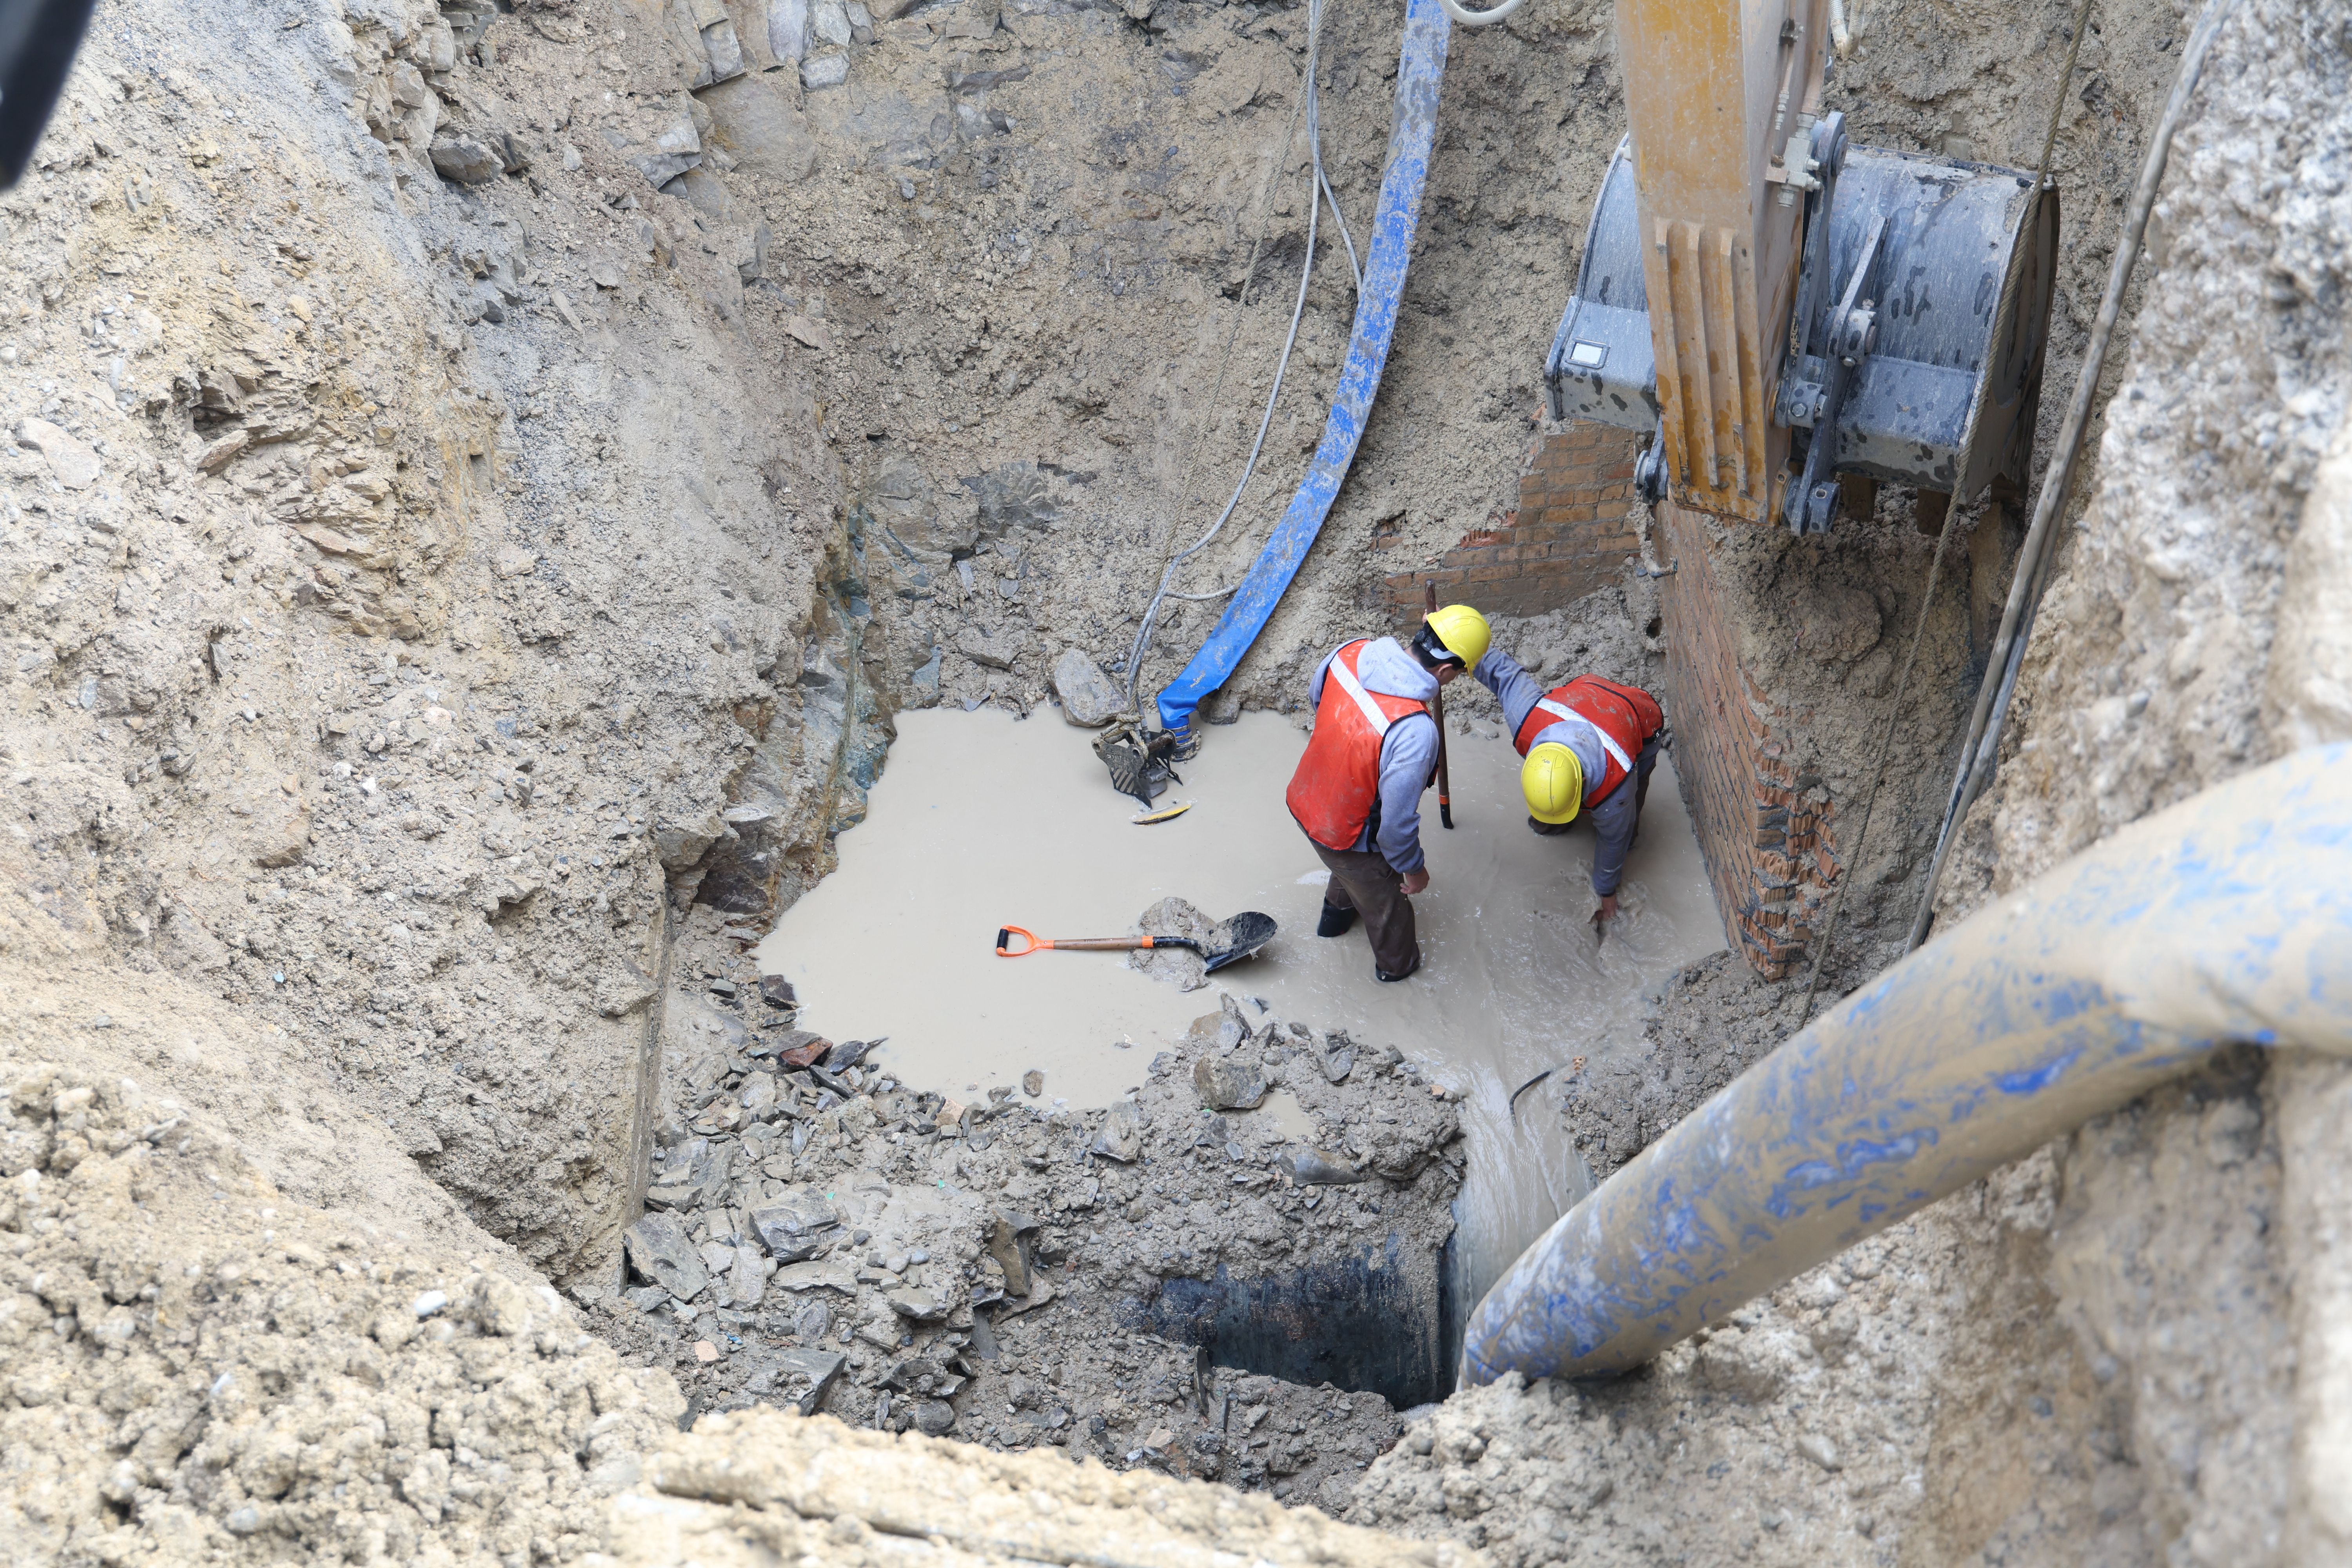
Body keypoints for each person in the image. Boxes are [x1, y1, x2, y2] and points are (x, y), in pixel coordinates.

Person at [1285, 605, 1492, 981]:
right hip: (1343, 833)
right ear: (1446, 671)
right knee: (1388, 908)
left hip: (1307, 798)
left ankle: (1332, 926)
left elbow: (1321, 708)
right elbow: (1395, 830)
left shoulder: (1350, 652)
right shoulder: (1414, 730)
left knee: (1348, 866)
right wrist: (1415, 872)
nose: (1455, 680)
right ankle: (1398, 973)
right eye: (1460, 674)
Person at [1472, 649, 1665, 925]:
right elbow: (1500, 670)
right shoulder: (1527, 719)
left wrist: (1606, 889)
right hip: (1580, 696)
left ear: (1584, 783)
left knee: (1625, 828)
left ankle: (1628, 835)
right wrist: (1449, 641)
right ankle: (1555, 822)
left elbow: (1613, 841)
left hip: (1640, 716)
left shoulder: (1617, 789)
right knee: (1554, 807)